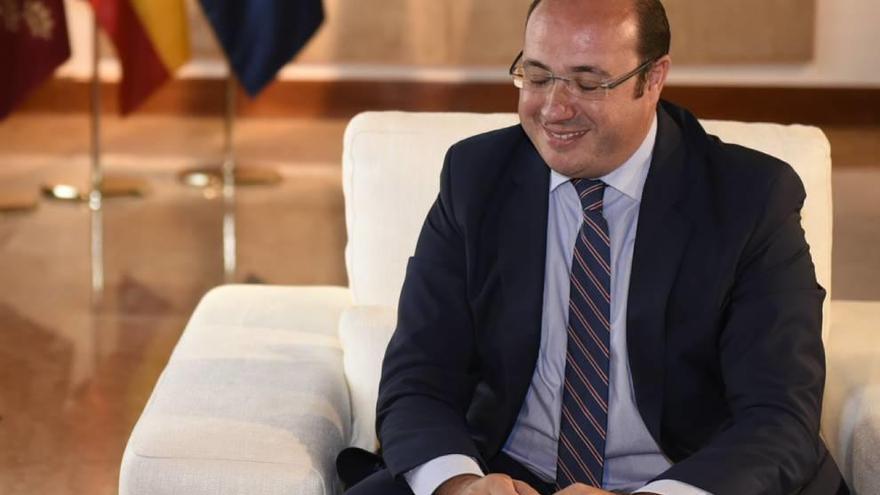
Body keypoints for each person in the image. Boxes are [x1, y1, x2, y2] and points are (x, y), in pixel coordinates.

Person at [339, 0, 848, 493]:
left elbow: (779, 417)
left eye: (587, 82)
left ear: (653, 78)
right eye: (537, 77)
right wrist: (461, 485)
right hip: (506, 475)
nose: (555, 108)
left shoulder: (750, 198)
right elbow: (419, 375)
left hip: (688, 480)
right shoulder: (475, 179)